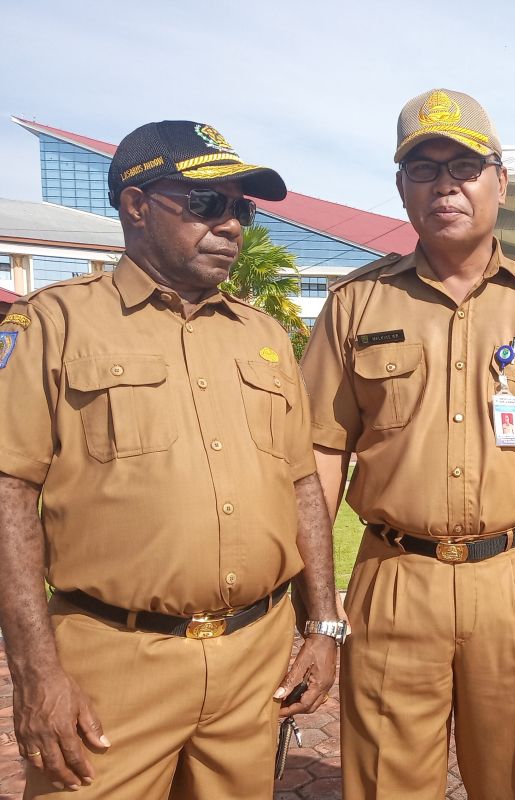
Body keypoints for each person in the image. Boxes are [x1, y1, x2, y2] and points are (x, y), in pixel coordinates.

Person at [0, 120, 340, 799]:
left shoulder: (266, 337)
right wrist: (38, 675)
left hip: (253, 662)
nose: (233, 226)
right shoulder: (53, 325)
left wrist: (323, 625)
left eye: (241, 209)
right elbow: (8, 497)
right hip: (113, 665)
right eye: (208, 203)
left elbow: (302, 484)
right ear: (136, 205)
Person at [301, 88, 515, 800]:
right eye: (424, 168)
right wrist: (319, 603)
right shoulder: (356, 305)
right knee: (385, 784)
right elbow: (316, 455)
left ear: (501, 180)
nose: (445, 185)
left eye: (463, 166)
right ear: (402, 188)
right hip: (394, 577)